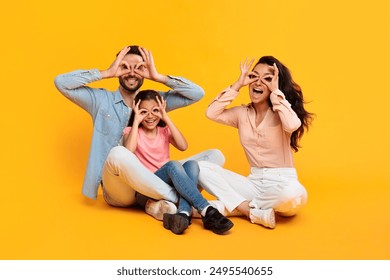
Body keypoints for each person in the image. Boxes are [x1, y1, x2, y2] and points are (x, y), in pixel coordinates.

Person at [54, 45, 225, 220]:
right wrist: (107, 72)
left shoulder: (155, 101)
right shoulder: (100, 100)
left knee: (214, 156)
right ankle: (187, 200)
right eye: (125, 66)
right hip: (120, 188)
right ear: (118, 67)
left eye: (139, 67)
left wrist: (158, 77)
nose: (132, 73)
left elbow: (197, 93)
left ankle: (156, 204)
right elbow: (61, 83)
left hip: (155, 177)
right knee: (118, 153)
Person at [198, 56, 314, 229]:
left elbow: (293, 124)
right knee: (200, 167)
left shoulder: (280, 112)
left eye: (267, 78)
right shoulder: (242, 113)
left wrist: (276, 93)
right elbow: (211, 113)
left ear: (275, 84)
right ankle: (250, 211)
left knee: (294, 194)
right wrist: (237, 84)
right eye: (254, 76)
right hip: (253, 182)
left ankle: (230, 206)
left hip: (281, 183)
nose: (258, 82)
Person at [123, 90, 234, 234]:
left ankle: (183, 214)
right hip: (145, 188)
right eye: (144, 112)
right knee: (173, 165)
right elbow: (128, 152)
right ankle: (206, 209)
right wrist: (136, 121)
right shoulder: (131, 131)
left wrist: (166, 117)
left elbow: (183, 146)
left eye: (155, 110)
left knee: (192, 165)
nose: (150, 116)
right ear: (136, 111)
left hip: (167, 185)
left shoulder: (163, 131)